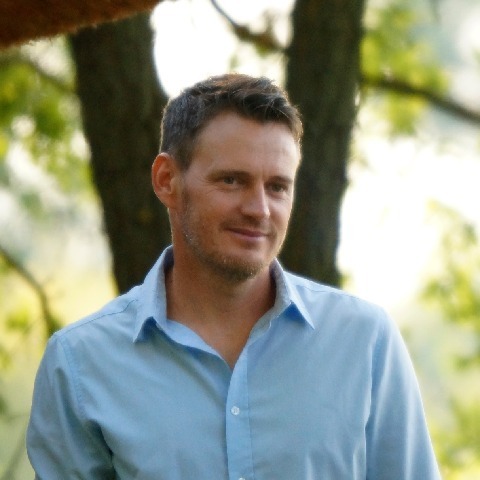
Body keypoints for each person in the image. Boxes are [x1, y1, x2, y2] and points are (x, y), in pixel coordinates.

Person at [27, 73, 440, 479]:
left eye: (277, 187)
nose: (259, 209)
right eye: (232, 180)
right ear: (167, 180)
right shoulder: (81, 364)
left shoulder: (365, 342)